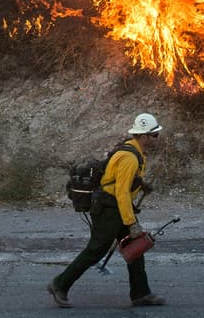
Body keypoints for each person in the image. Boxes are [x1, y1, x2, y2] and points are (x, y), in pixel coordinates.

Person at [47, 112, 166, 308]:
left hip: (115, 207)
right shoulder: (130, 157)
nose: (156, 138)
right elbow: (121, 193)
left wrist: (140, 185)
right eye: (154, 135)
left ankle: (141, 294)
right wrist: (131, 223)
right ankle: (59, 284)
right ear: (143, 136)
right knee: (96, 250)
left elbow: (121, 182)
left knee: (134, 249)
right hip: (109, 209)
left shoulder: (134, 151)